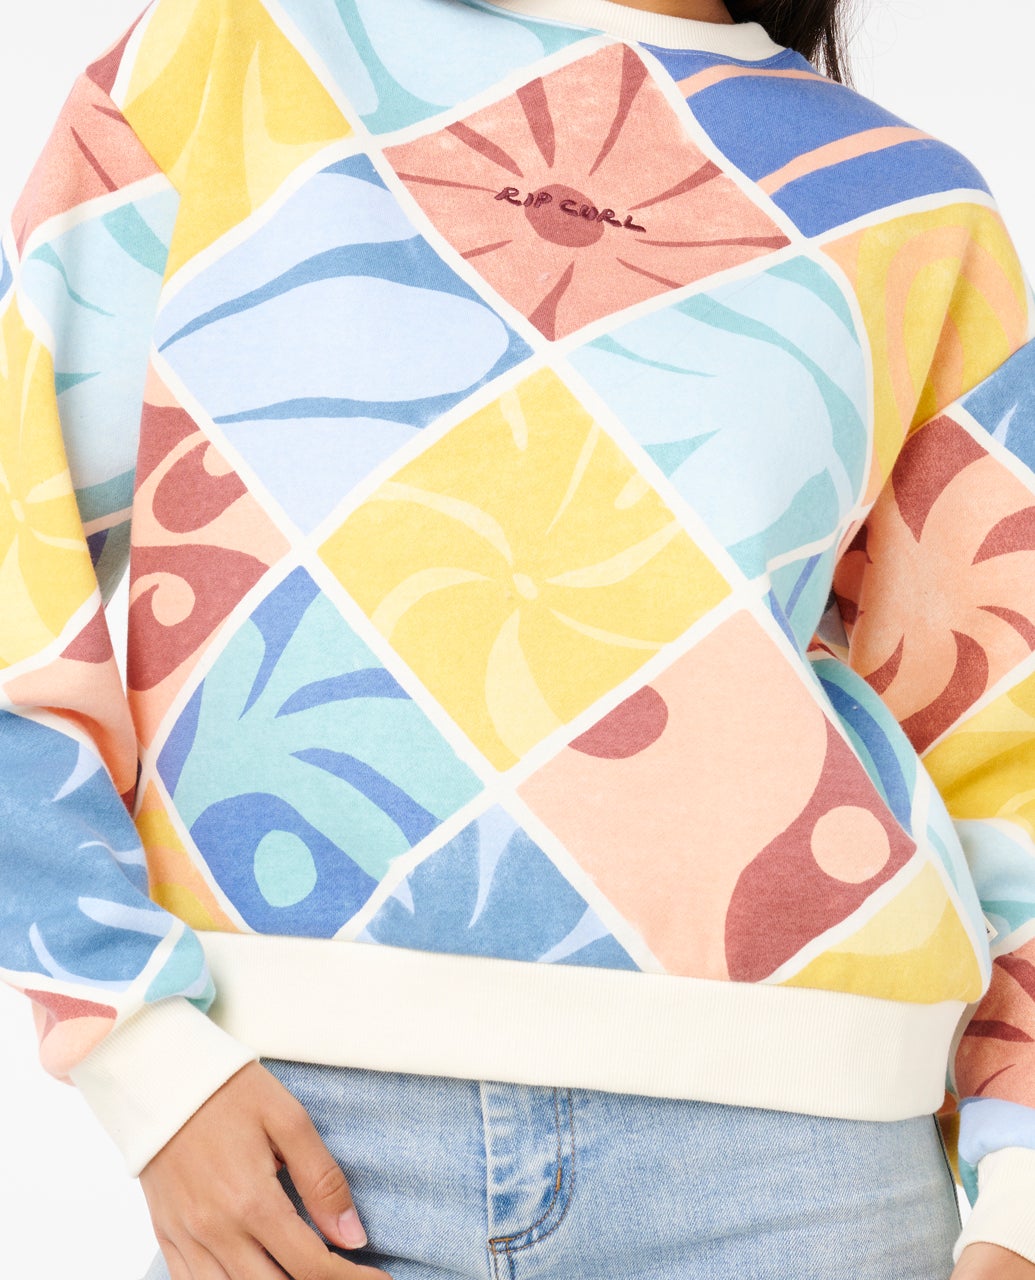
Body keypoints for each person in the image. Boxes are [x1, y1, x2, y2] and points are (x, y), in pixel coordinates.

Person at [2, 0, 1034, 1276]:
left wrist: (1023, 1192)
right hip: (305, 1155)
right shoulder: (234, 53)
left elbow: (1006, 744)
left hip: (802, 1177)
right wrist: (140, 1052)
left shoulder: (907, 204)